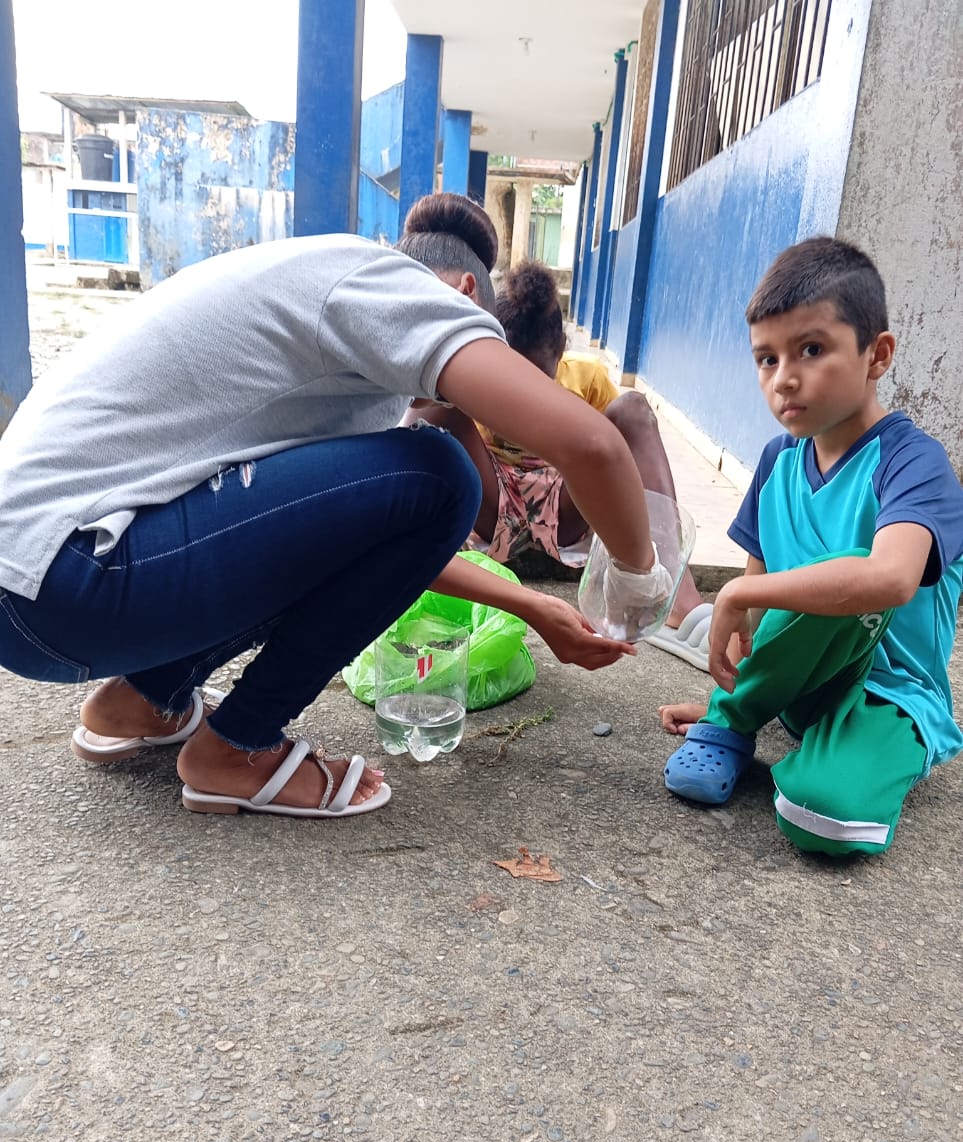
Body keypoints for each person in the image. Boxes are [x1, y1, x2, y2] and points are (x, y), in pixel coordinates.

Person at [0, 193, 670, 821]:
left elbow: (355, 548)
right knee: (443, 473)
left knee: (422, 481)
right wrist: (638, 581)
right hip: (67, 577)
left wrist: (527, 605)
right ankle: (237, 747)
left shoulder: (322, 299)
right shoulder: (387, 287)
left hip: (39, 589)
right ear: (465, 293)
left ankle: (142, 698)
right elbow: (592, 446)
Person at [660, 237, 963, 856]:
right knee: (791, 596)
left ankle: (850, 756)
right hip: (802, 690)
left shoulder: (913, 463)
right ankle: (734, 724)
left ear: (877, 355)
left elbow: (890, 579)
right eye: (765, 359)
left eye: (812, 350)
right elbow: (765, 617)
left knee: (822, 817)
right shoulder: (778, 462)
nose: (784, 378)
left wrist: (740, 592)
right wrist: (741, 693)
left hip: (891, 694)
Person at [404, 259, 712, 671]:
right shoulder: (474, 374)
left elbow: (612, 461)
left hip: (565, 507)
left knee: (633, 409)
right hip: (493, 504)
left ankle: (676, 594)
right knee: (438, 412)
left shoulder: (587, 379)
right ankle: (429, 541)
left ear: (561, 352)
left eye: (536, 379)